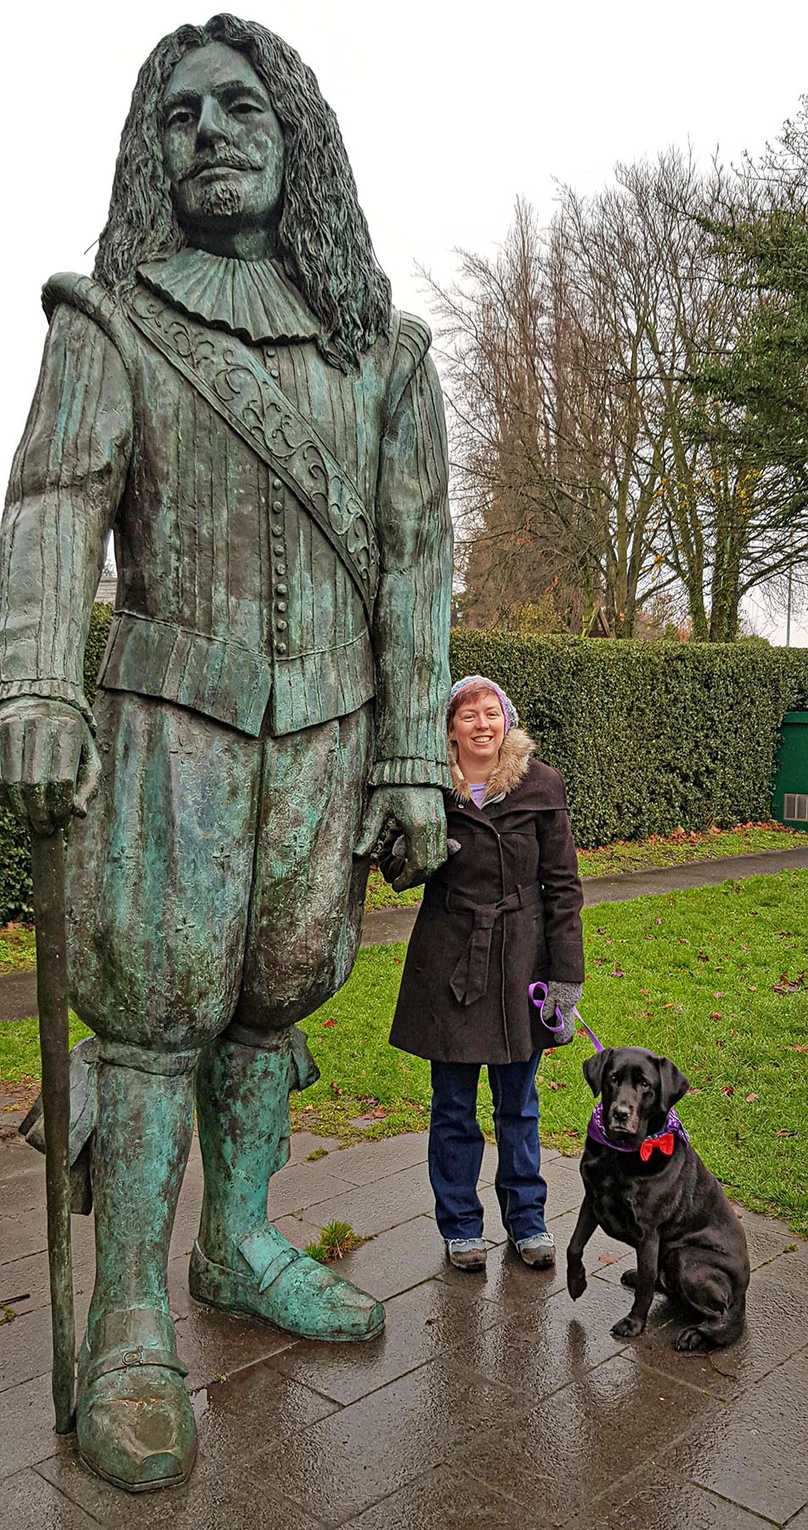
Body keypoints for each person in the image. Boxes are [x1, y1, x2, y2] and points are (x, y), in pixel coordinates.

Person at [0, 16, 452, 1492]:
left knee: (274, 994)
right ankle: (130, 1312)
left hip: (324, 742)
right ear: (153, 148)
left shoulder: (379, 350)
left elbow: (412, 562)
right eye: (178, 111)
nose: (208, 127)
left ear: (295, 132)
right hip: (166, 730)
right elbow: (59, 504)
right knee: (155, 1009)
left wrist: (410, 757)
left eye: (238, 102)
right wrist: (37, 687)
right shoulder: (110, 319)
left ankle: (242, 1238)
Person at [385, 674, 584, 1272]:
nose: (481, 724)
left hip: (522, 960)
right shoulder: (429, 791)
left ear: (507, 722)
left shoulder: (540, 785)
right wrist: (417, 853)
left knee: (518, 1103)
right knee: (452, 1104)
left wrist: (566, 979)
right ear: (449, 730)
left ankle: (527, 1220)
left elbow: (564, 888)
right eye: (466, 714)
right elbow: (394, 870)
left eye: (491, 712)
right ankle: (461, 1226)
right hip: (449, 960)